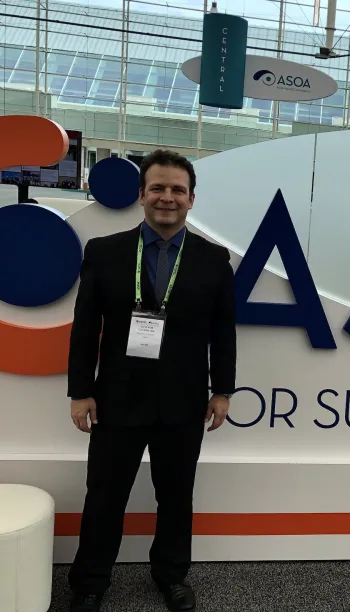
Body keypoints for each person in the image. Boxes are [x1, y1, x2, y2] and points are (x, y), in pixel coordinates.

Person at [66, 149, 237, 612]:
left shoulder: (213, 259)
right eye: (158, 188)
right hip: (116, 398)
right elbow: (85, 328)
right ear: (141, 195)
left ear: (191, 199)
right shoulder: (105, 252)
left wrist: (222, 390)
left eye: (178, 190)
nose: (167, 197)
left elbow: (223, 330)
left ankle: (172, 576)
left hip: (183, 400)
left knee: (177, 497)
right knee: (104, 496)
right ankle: (90, 582)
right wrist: (80, 391)